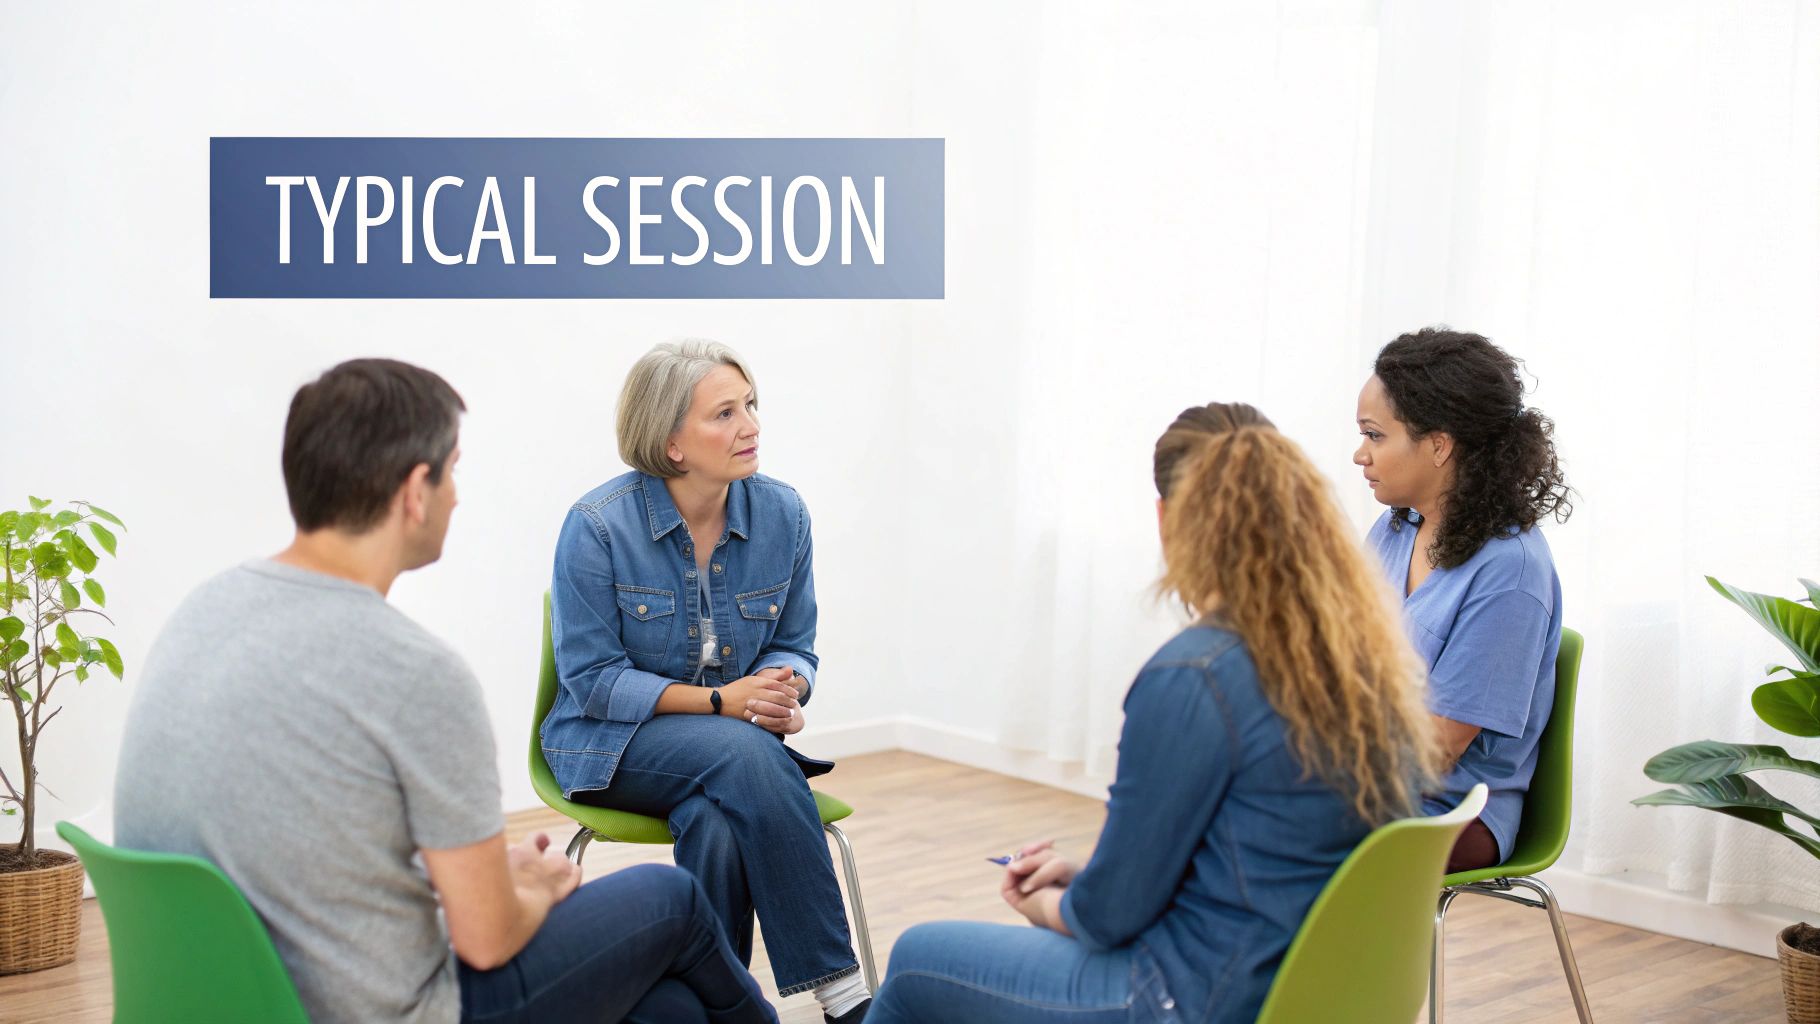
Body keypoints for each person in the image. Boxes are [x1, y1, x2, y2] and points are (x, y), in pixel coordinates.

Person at [115, 359, 775, 1024]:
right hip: (389, 1010)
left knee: (669, 1011)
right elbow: (488, 939)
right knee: (672, 901)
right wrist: (532, 891)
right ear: (414, 492)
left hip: (237, 1000)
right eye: (453, 470)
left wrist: (478, 878)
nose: (458, 495)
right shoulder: (415, 673)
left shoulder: (203, 610)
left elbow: (300, 831)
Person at [867, 402, 1443, 1024]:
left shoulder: (1195, 674)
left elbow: (1109, 918)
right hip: (1315, 996)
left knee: (917, 959)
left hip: (1192, 1000)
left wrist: (1047, 904)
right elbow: (1255, 857)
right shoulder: (1366, 664)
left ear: (1170, 521)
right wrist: (1086, 876)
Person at [541, 340, 869, 1024]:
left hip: (726, 755)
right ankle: (845, 997)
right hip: (609, 744)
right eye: (724, 413)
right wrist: (724, 703)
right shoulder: (597, 527)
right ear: (671, 442)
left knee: (718, 822)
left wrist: (784, 691)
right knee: (744, 755)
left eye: (750, 405)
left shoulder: (783, 515)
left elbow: (793, 643)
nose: (750, 425)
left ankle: (716, 1007)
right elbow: (593, 681)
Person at [1353, 327, 1574, 872]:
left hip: (1452, 810)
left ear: (1438, 444)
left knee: (1251, 825)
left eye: (1375, 436)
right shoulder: (1396, 527)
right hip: (1367, 781)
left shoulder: (1510, 572)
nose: (1360, 454)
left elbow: (1436, 749)